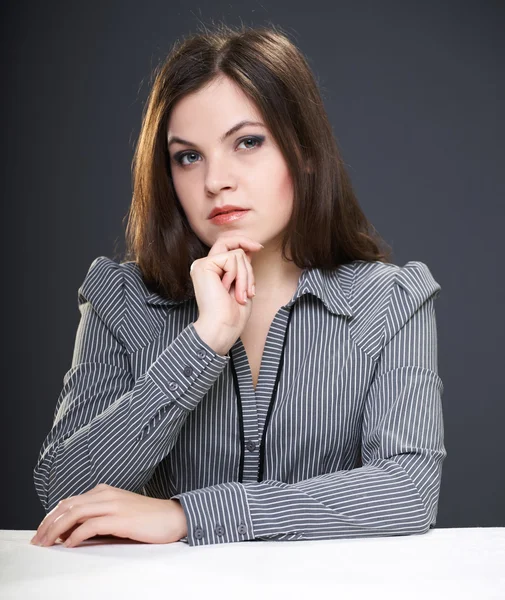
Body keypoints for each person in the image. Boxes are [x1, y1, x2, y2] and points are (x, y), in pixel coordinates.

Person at [32, 23, 446, 549]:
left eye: (247, 142)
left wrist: (189, 517)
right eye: (188, 156)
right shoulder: (122, 297)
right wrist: (204, 342)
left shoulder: (391, 302)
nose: (214, 181)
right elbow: (62, 493)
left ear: (306, 151)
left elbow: (408, 491)